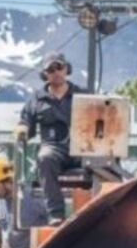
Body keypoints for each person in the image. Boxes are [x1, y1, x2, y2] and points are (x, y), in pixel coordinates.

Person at [14, 53, 84, 226]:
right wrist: (22, 129)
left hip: (83, 147)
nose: (56, 72)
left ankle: (106, 209)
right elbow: (26, 122)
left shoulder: (82, 95)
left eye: (59, 67)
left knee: (104, 161)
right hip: (54, 148)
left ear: (67, 69)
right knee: (45, 158)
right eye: (51, 69)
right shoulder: (37, 99)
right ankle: (56, 214)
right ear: (45, 74)